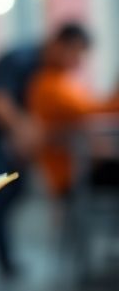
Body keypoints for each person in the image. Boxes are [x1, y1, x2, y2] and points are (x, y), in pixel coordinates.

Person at [0, 21, 92, 276]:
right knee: (3, 182)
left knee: (17, 184)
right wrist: (21, 130)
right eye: (75, 53)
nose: (76, 62)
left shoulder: (46, 71)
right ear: (58, 44)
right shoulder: (22, 59)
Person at [27, 40, 119, 198]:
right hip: (74, 172)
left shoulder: (62, 82)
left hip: (82, 165)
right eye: (76, 52)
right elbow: (92, 111)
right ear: (58, 48)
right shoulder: (49, 85)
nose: (79, 59)